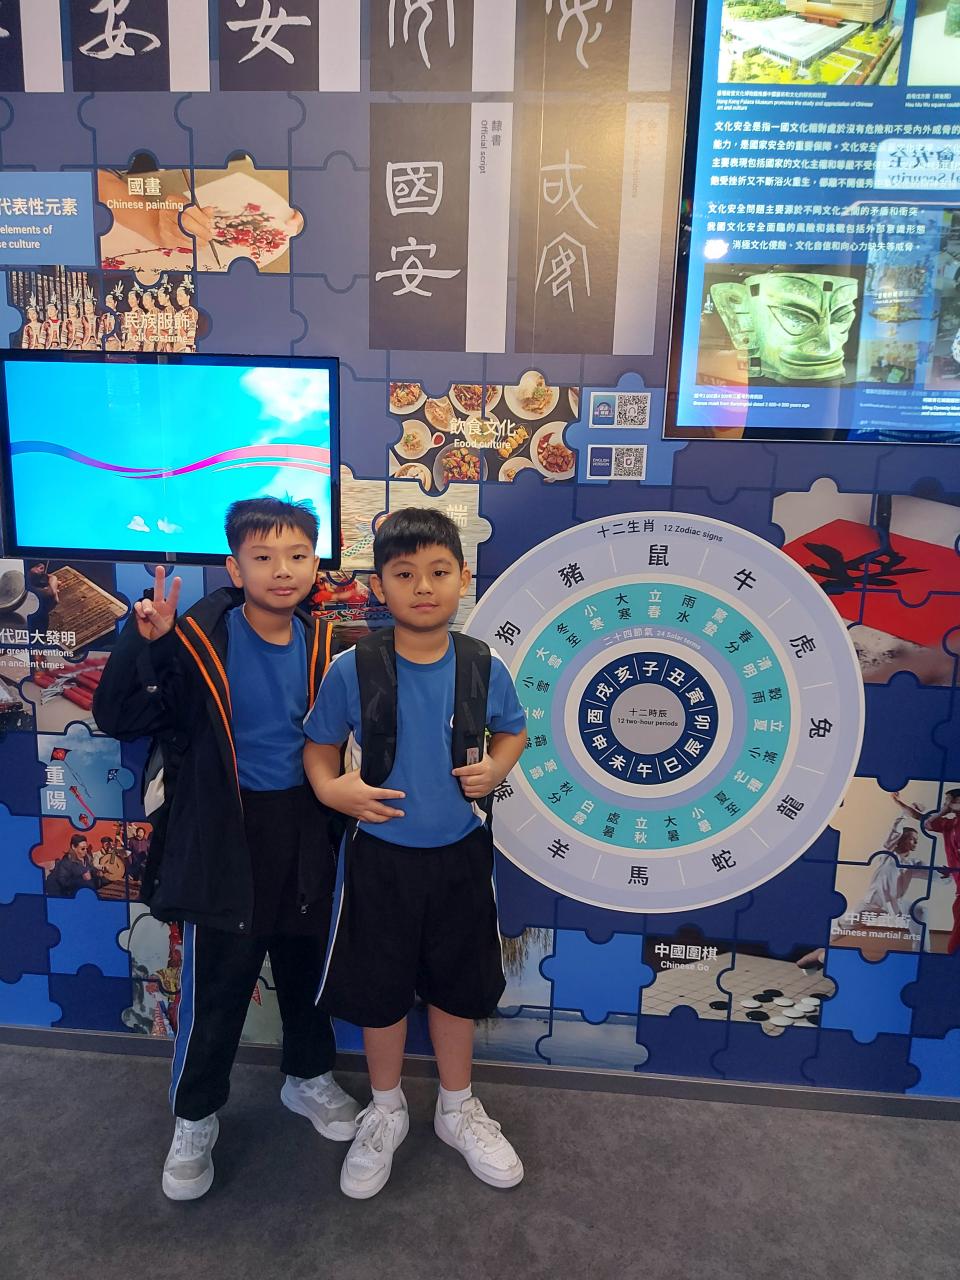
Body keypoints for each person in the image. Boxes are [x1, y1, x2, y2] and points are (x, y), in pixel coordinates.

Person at [93, 497, 358, 1202]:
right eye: (263, 557)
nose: (282, 570)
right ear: (235, 568)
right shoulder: (195, 637)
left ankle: (307, 1077)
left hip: (306, 831)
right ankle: (195, 1115)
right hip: (224, 837)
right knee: (216, 989)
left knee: (308, 971)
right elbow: (119, 717)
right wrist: (144, 644)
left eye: (297, 555)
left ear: (314, 565)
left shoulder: (327, 644)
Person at [304, 508, 527, 1200]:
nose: (422, 587)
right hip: (378, 859)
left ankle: (457, 1109)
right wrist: (333, 790)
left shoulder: (483, 665)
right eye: (404, 574)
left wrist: (497, 768)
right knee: (380, 991)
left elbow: (513, 732)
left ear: (462, 578)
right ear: (380, 585)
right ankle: (386, 1108)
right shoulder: (353, 667)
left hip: (460, 856)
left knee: (458, 986)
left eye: (438, 572)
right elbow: (318, 747)